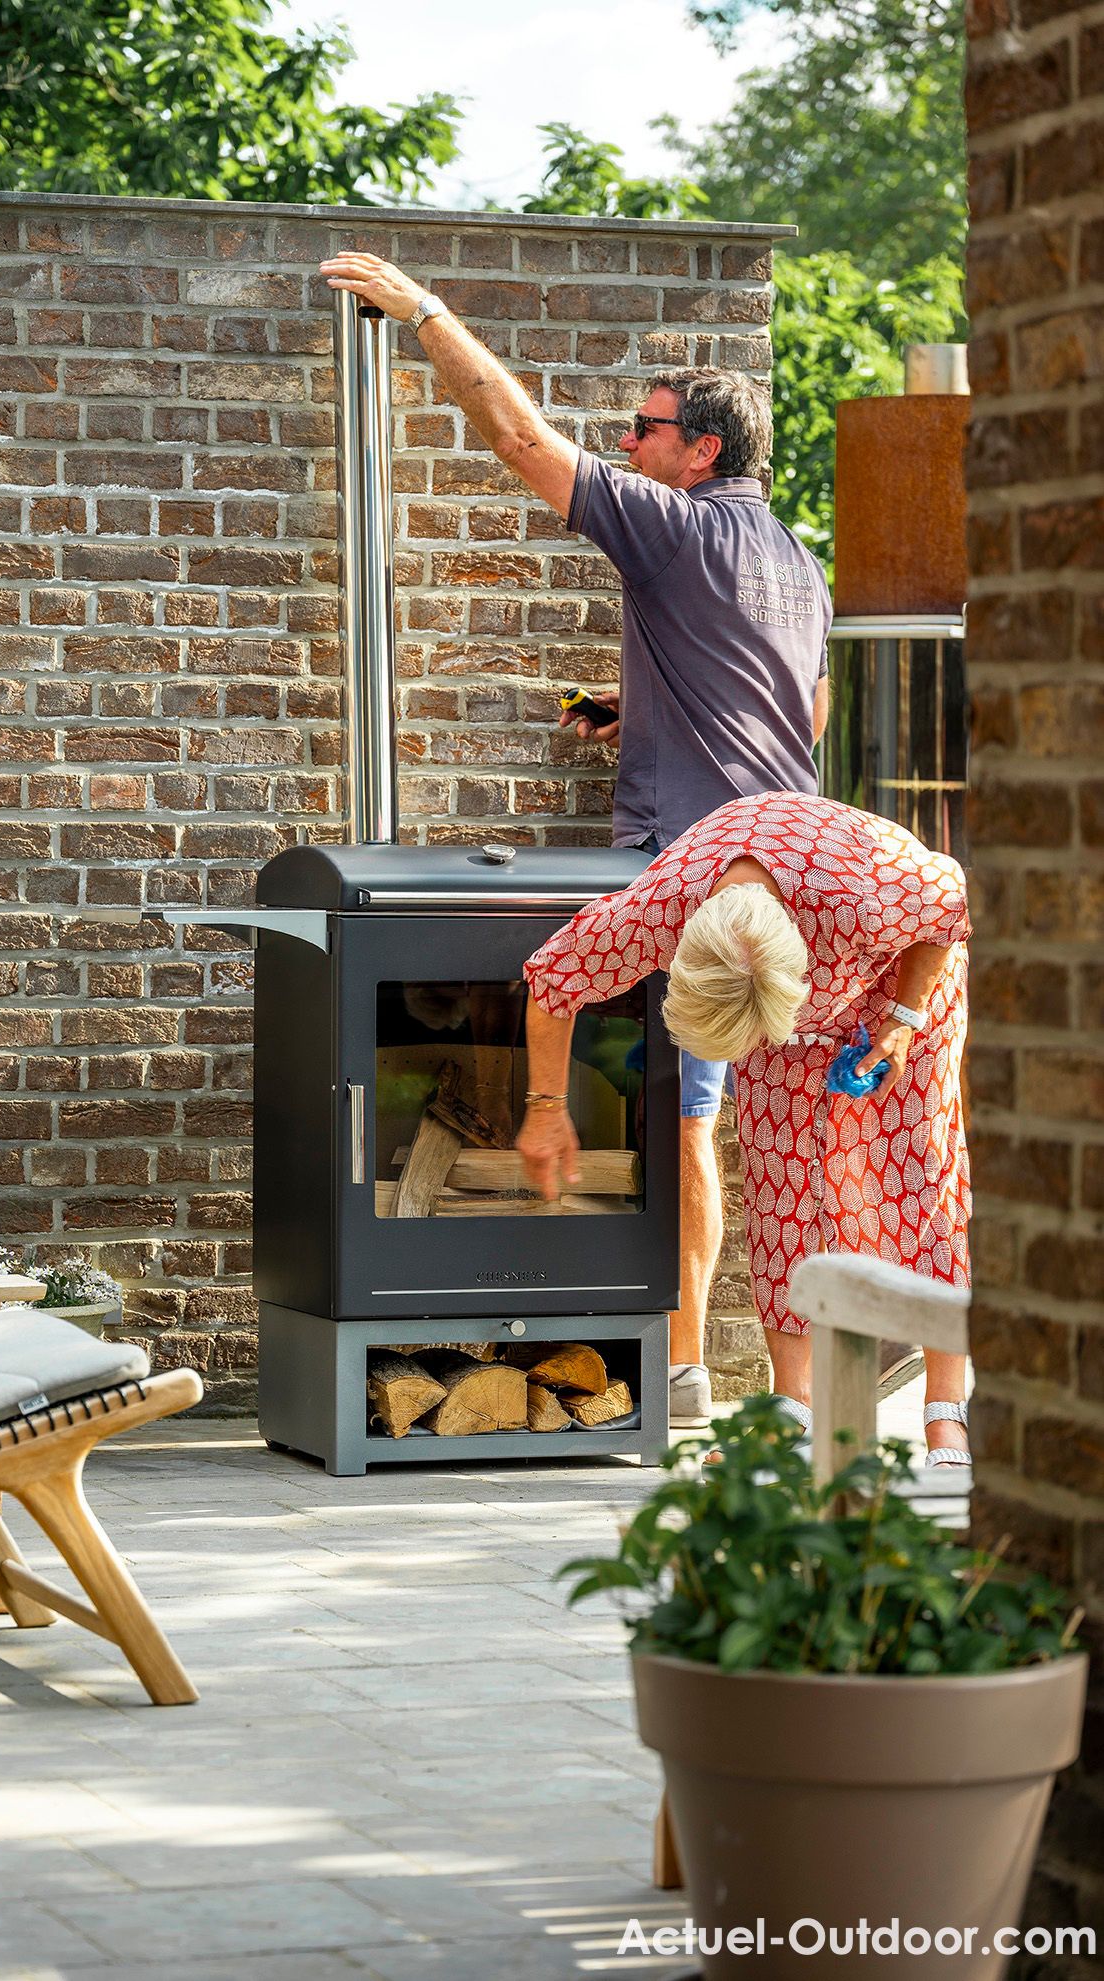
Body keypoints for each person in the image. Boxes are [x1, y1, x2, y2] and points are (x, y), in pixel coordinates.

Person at [320, 251, 831, 1425]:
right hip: (785, 855)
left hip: (694, 869)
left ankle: (687, 1365)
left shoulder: (670, 529)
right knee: (737, 1120)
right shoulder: (797, 560)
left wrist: (426, 313)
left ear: (701, 451)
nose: (630, 441)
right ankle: (758, 1371)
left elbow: (518, 439)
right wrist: (640, 713)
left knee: (686, 1114)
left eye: (645, 427)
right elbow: (798, 712)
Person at [513, 790, 971, 1467]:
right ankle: (794, 1409)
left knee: (920, 1170)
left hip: (897, 985)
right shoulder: (658, 909)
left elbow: (952, 899)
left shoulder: (865, 892)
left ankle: (945, 1413)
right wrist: (547, 1108)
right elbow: (554, 978)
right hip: (782, 1000)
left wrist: (904, 1017)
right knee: (782, 1184)